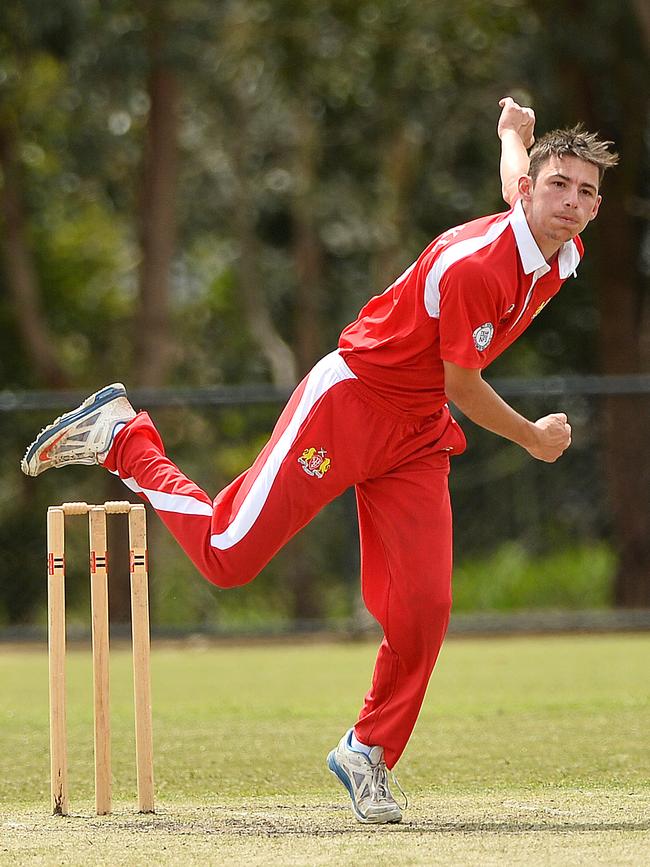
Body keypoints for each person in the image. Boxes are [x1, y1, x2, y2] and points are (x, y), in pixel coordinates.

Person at [21, 98, 618, 825]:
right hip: (350, 403)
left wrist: (512, 136)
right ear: (533, 193)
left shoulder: (563, 246)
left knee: (424, 609)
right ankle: (124, 440)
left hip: (417, 434)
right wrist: (532, 436)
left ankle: (367, 749)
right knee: (227, 556)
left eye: (587, 192)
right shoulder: (476, 267)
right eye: (559, 186)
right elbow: (465, 382)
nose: (573, 202)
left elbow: (511, 179)